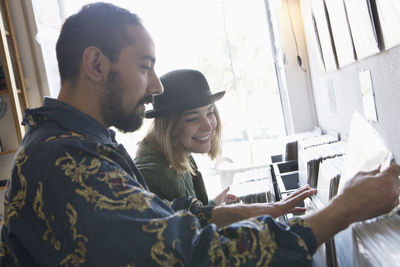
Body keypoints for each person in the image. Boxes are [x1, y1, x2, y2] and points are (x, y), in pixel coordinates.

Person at [1, 2, 399, 267]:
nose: (155, 86)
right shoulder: (64, 164)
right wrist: (343, 209)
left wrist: (268, 211)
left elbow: (173, 217)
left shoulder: (83, 144)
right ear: (95, 63)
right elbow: (192, 254)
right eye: (144, 67)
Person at [135, 69, 237, 206]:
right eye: (193, 118)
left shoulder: (179, 155)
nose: (208, 127)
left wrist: (212, 205)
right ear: (168, 127)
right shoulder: (151, 179)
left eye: (210, 112)